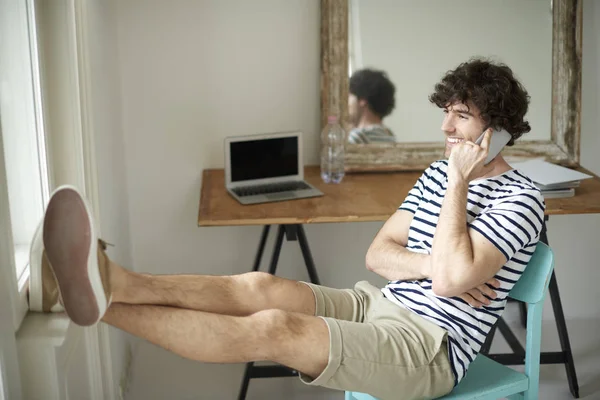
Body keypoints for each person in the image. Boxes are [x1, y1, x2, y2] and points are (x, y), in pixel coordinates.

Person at [29, 57, 544, 400]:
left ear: (496, 129)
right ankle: (113, 279)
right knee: (257, 286)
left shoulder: (520, 199)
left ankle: (101, 307)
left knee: (275, 328)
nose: (445, 128)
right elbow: (378, 254)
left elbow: (452, 284)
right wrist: (437, 267)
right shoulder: (436, 172)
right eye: (446, 114)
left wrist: (458, 185)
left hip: (429, 347)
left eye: (460, 117)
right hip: (380, 302)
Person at [347, 68, 397, 144]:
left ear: (362, 100)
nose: (346, 103)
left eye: (349, 97)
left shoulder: (356, 137)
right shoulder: (390, 136)